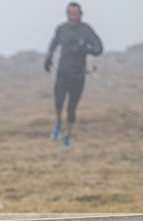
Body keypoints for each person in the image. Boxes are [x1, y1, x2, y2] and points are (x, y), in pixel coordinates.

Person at [44, 2, 103, 148]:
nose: (72, 16)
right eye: (70, 14)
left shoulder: (86, 30)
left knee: (71, 108)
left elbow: (99, 48)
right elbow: (53, 44)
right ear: (67, 14)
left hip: (78, 75)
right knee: (58, 101)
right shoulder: (62, 29)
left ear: (80, 14)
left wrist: (85, 48)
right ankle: (58, 122)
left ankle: (67, 136)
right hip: (62, 72)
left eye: (75, 14)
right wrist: (48, 57)